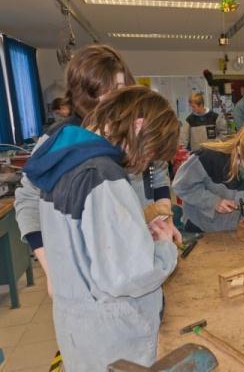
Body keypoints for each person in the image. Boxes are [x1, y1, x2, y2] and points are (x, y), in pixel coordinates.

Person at [23, 86, 180, 371]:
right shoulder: (102, 175)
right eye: (150, 152)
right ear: (139, 126)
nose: (143, 164)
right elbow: (129, 276)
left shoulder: (67, 160)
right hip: (113, 337)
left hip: (80, 329)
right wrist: (165, 247)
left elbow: (85, 247)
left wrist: (134, 234)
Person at [14, 44, 180, 296]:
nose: (112, 98)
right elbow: (28, 202)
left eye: (119, 88)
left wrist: (164, 216)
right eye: (103, 93)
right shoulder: (62, 140)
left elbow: (157, 170)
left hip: (142, 250)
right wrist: (51, 268)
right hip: (102, 269)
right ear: (83, 96)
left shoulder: (135, 122)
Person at [173, 122, 244, 233]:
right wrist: (213, 202)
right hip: (199, 227)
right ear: (239, 151)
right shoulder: (207, 158)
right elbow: (181, 186)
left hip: (233, 229)